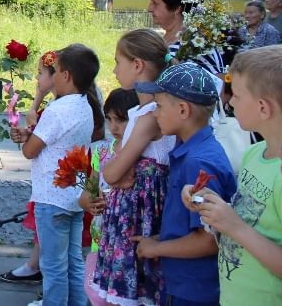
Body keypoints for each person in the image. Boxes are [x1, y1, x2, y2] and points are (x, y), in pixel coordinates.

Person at [132, 63, 238, 306]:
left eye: (158, 106)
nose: (154, 113)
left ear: (182, 110)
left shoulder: (198, 163)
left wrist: (156, 249)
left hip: (195, 289)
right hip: (185, 284)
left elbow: (208, 240)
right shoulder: (189, 149)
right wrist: (159, 238)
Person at [184, 46, 282, 302]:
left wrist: (235, 226)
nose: (229, 101)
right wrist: (211, 206)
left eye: (236, 94)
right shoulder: (255, 153)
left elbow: (241, 228)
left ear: (263, 108)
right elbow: (251, 217)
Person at [10, 44, 102, 306]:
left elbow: (30, 151)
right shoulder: (85, 105)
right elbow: (56, 140)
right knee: (73, 261)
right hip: (74, 195)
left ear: (66, 76)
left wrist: (27, 138)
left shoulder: (57, 110)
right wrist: (32, 134)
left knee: (52, 266)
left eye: (57, 70)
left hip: (51, 198)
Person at [92, 28, 172, 306]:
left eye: (118, 62)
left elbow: (112, 173)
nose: (114, 70)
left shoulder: (150, 116)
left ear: (137, 65)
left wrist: (121, 170)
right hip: (128, 214)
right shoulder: (141, 113)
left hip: (138, 220)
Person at [0, 49, 58, 285]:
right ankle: (36, 266)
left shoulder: (58, 109)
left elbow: (31, 148)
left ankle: (44, 277)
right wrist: (27, 132)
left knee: (54, 237)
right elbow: (37, 128)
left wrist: (30, 134)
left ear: (58, 76)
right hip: (47, 180)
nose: (37, 79)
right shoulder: (56, 104)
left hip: (55, 183)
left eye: (40, 73)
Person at [81, 87, 140, 306]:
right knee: (96, 295)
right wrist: (88, 201)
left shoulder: (142, 154)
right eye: (109, 119)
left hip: (126, 241)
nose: (113, 127)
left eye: (121, 120)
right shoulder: (101, 151)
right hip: (101, 238)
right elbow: (89, 189)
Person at [145, 0, 226, 77]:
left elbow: (217, 87)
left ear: (177, 8)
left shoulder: (198, 48)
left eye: (155, 3)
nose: (149, 9)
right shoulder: (159, 41)